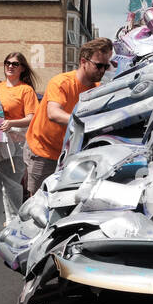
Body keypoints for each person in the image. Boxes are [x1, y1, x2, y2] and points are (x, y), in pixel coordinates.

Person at [24, 38, 111, 196]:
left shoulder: (98, 89)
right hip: (43, 151)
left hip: (69, 154)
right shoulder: (61, 82)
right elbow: (54, 113)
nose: (103, 70)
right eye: (99, 65)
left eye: (106, 66)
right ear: (83, 61)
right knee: (38, 203)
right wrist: (86, 124)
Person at [0, 51, 38, 243]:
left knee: (11, 187)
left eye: (14, 63)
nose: (10, 66)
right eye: (7, 62)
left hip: (15, 144)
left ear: (22, 68)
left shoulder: (26, 90)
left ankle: (13, 226)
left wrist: (12, 123)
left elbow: (31, 117)